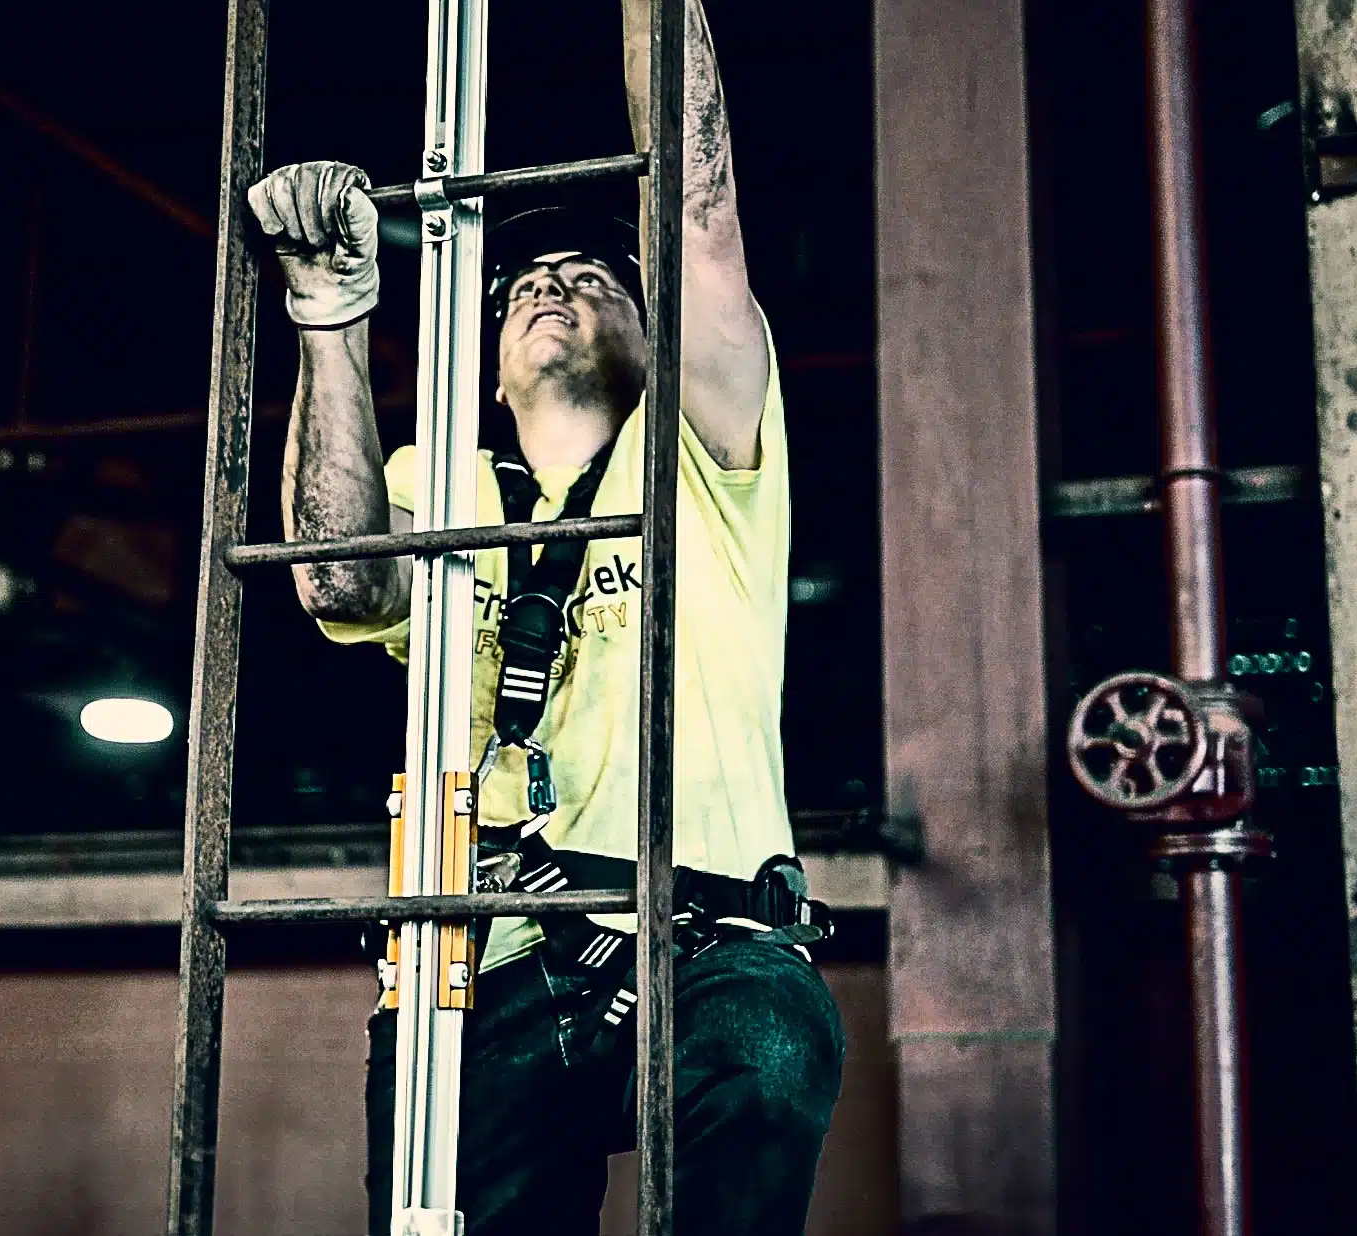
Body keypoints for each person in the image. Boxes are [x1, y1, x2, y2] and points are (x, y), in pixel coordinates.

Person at [246, 2, 844, 1232]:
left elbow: (697, 214)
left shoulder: (709, 455)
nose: (551, 287)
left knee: (767, 1064)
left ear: (650, 328)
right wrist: (331, 315)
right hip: (483, 964)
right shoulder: (442, 489)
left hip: (703, 933)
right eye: (522, 283)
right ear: (490, 352)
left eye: (589, 277)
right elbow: (340, 578)